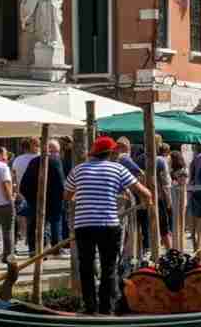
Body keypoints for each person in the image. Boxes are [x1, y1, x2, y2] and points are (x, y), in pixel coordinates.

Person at [65, 135, 152, 315]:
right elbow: (145, 192)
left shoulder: (78, 169)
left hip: (84, 225)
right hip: (108, 225)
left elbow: (67, 196)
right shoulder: (118, 169)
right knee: (109, 268)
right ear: (111, 152)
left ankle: (90, 308)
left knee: (86, 268)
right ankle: (107, 310)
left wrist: (83, 198)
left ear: (94, 154)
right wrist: (148, 202)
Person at [19, 139, 66, 254]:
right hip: (52, 202)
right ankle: (53, 249)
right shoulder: (55, 162)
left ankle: (34, 250)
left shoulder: (34, 161)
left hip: (35, 201)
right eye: (57, 151)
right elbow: (61, 184)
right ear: (50, 150)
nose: (58, 154)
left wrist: (31, 199)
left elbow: (23, 185)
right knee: (51, 225)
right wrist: (61, 199)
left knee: (35, 225)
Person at [155, 142, 173, 250]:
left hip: (154, 196)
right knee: (165, 225)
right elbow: (165, 182)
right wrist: (169, 200)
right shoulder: (162, 161)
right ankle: (169, 250)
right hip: (161, 196)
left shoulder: (151, 159)